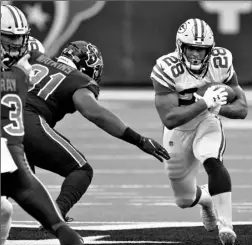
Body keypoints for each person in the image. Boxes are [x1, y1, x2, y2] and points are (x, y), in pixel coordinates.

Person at [23, 40, 170, 221]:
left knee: (18, 181)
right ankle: (54, 216)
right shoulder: (78, 79)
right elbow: (94, 112)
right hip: (27, 121)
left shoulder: (36, 59)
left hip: (6, 116)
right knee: (81, 171)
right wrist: (138, 140)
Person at [150, 18, 248, 245]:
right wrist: (204, 102)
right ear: (180, 47)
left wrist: (218, 107)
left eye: (201, 49)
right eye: (191, 48)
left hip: (207, 122)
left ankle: (227, 225)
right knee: (183, 200)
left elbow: (242, 108)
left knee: (211, 158)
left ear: (210, 50)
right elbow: (169, 119)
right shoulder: (165, 68)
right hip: (178, 130)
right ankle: (206, 200)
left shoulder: (221, 61)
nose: (195, 54)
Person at [1, 5, 87, 245]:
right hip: (12, 156)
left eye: (20, 38)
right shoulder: (20, 72)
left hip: (8, 152)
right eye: (10, 37)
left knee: (5, 210)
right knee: (10, 209)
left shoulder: (19, 73)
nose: (17, 44)